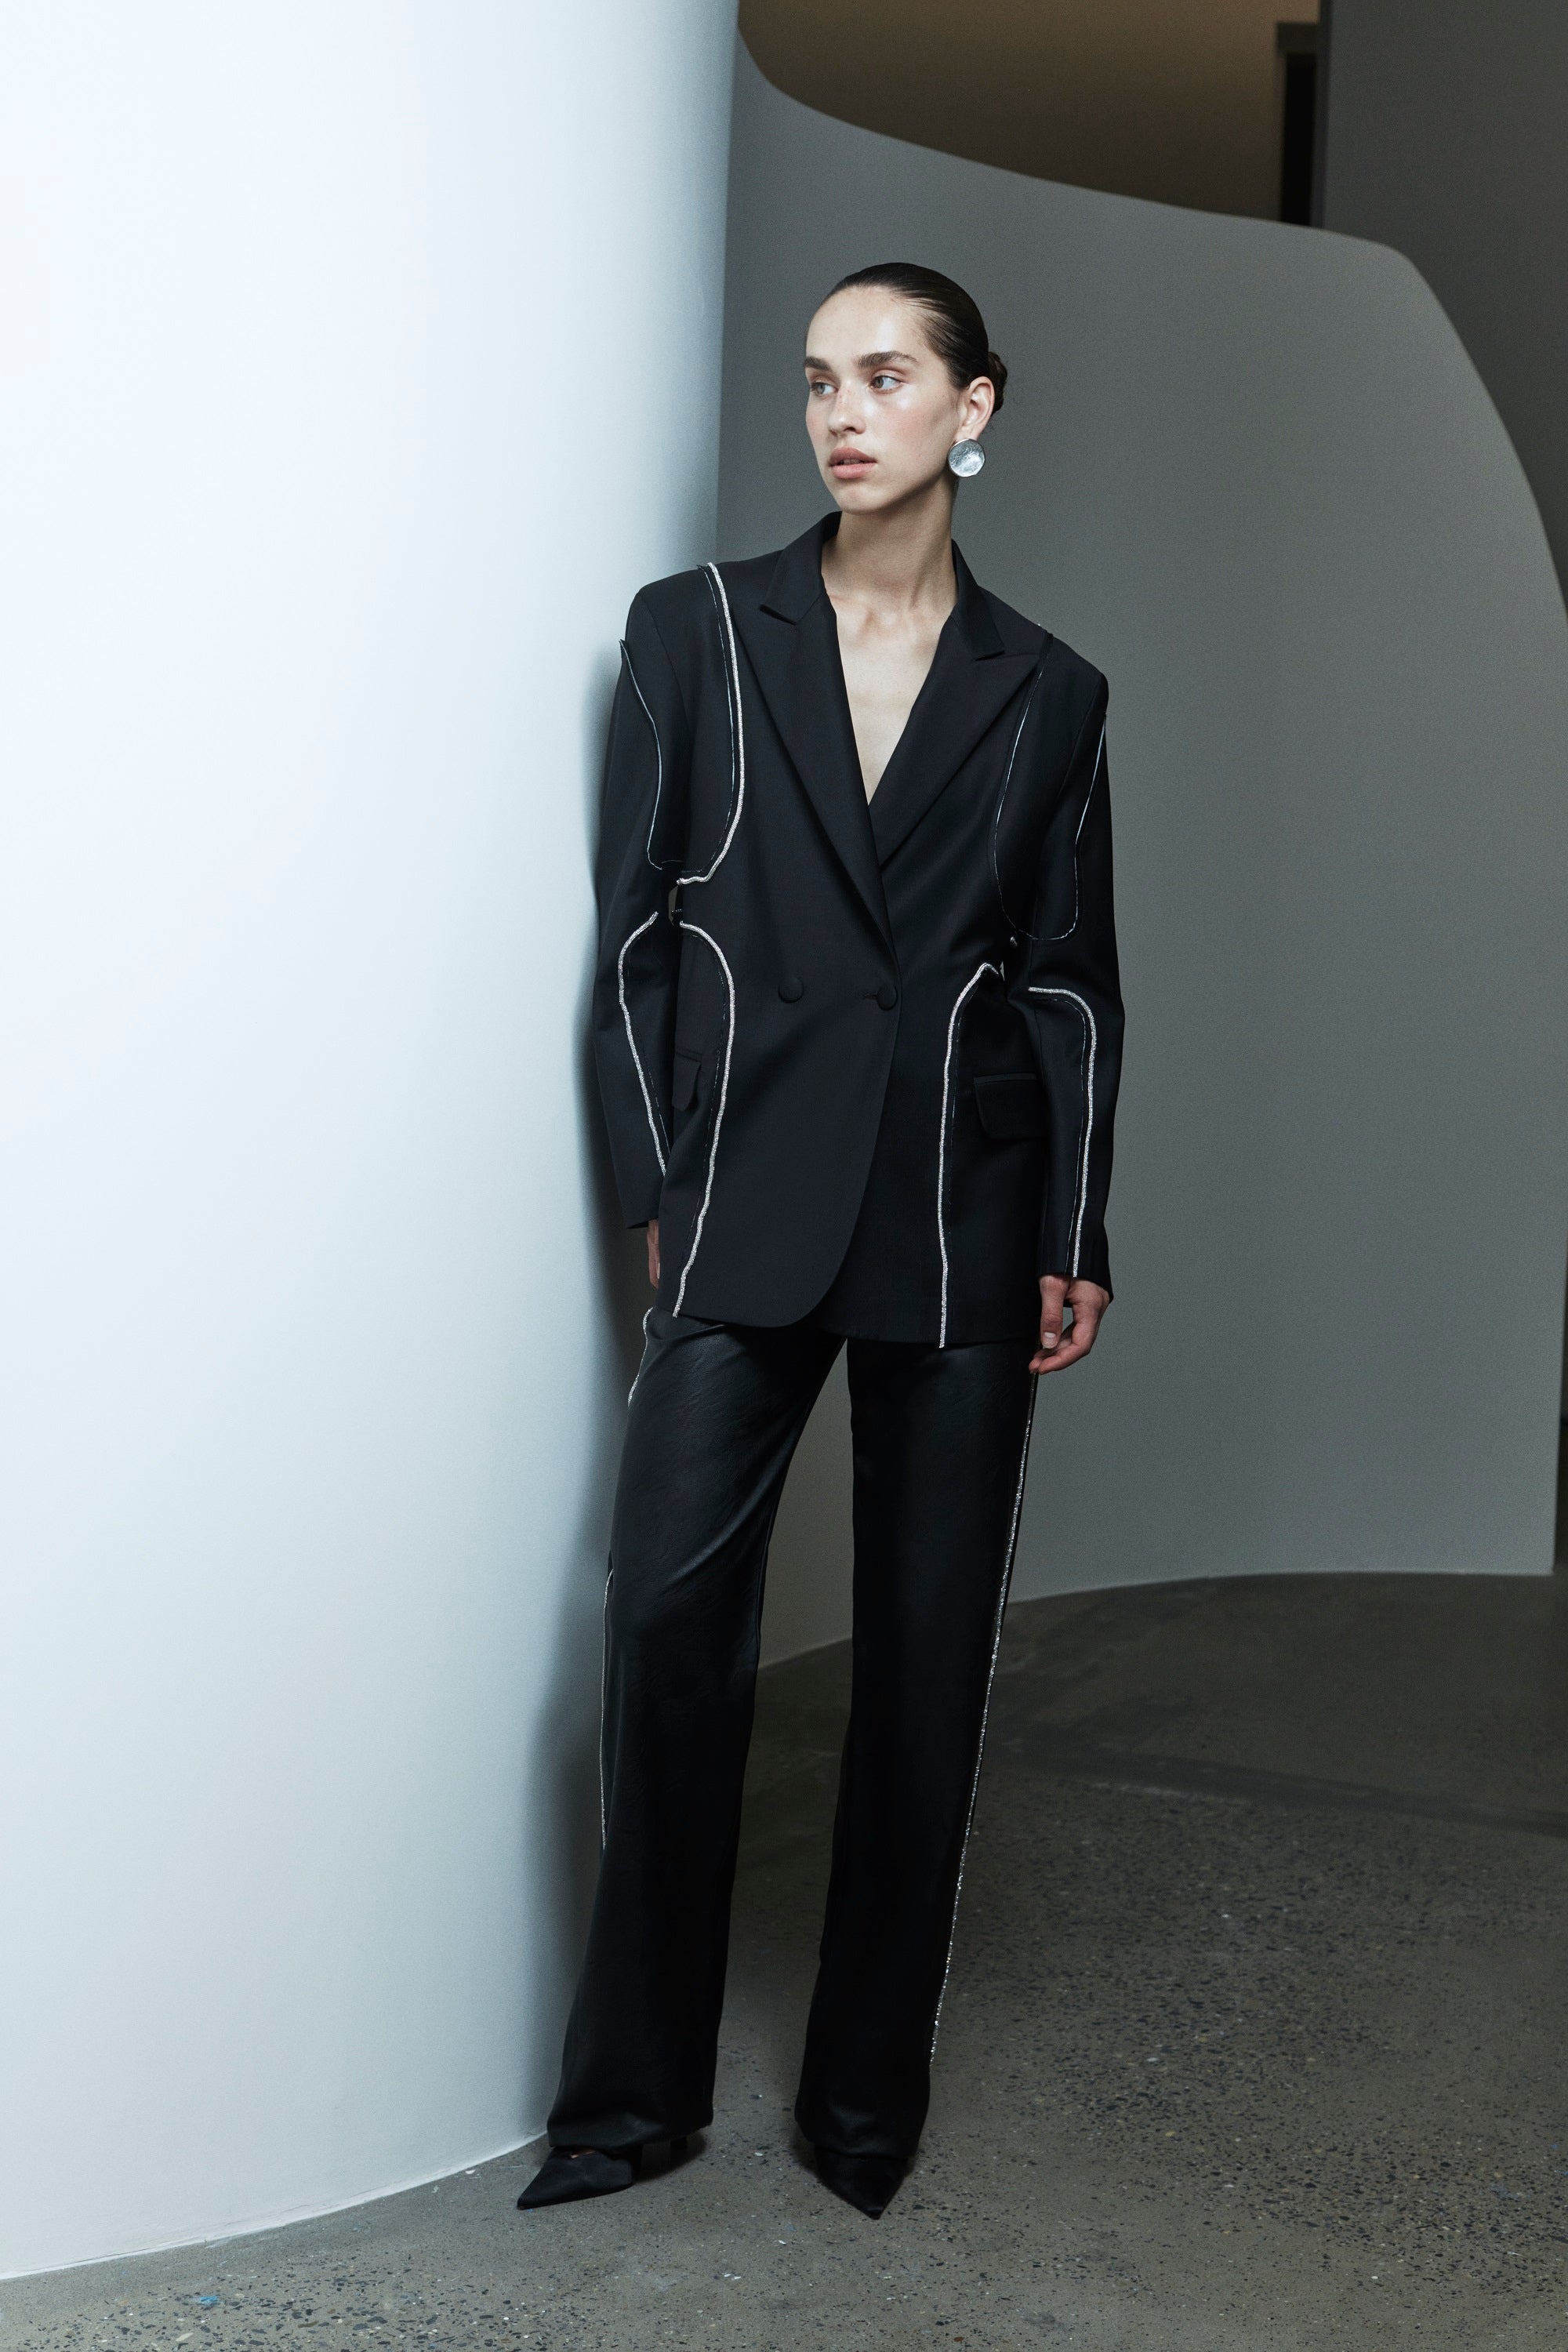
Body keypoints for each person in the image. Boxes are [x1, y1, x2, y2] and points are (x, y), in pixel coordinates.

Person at [519, 262, 1123, 2221]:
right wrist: (658, 1186)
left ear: (974, 406)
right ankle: (631, 2104)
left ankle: (862, 2111)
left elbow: (1071, 982)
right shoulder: (696, 631)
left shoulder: (1050, 689)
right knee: (661, 1625)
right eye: (815, 383)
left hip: (959, 1209)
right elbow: (632, 934)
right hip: (749, 1195)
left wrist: (1074, 1223)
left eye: (882, 377)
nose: (841, 415)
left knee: (926, 1669)